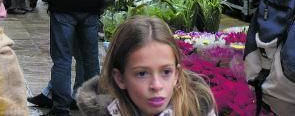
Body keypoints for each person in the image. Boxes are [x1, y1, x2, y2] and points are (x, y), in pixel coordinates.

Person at [76, 16, 216, 116]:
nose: (156, 85)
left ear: (177, 74)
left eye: (166, 72)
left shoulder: (197, 108)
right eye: (142, 73)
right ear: (120, 78)